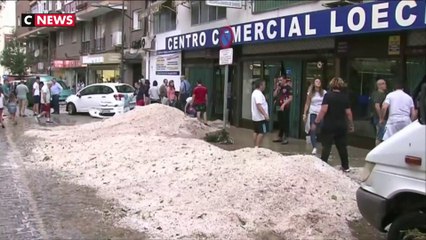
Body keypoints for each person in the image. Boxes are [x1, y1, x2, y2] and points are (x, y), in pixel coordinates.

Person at [312, 77, 354, 172]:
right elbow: (348, 113)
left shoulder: (328, 96)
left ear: (331, 85)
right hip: (341, 125)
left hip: (329, 125)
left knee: (326, 146)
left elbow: (323, 110)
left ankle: (323, 165)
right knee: (342, 147)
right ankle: (345, 166)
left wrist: (316, 122)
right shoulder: (345, 97)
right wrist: (351, 124)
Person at [302, 79, 326, 155]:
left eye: (319, 81)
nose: (318, 82)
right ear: (314, 83)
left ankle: (324, 145)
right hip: (313, 112)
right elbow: (307, 104)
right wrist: (305, 114)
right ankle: (314, 147)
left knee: (322, 128)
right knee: (313, 129)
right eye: (316, 81)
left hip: (321, 113)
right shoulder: (310, 93)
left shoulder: (324, 92)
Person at [273, 76, 293, 144]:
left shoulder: (288, 88)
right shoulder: (279, 87)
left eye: (281, 80)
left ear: (285, 80)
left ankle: (286, 138)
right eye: (279, 80)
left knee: (285, 122)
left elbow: (290, 98)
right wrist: (277, 89)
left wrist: (284, 104)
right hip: (278, 106)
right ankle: (280, 137)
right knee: (280, 121)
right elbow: (274, 95)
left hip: (285, 107)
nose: (279, 81)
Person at [251, 79, 269, 148]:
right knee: (262, 132)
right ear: (260, 85)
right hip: (260, 118)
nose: (265, 86)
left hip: (255, 117)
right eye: (264, 85)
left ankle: (255, 145)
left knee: (256, 131)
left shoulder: (254, 93)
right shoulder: (258, 94)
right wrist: (265, 114)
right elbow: (259, 105)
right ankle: (257, 146)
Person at [370, 79, 388, 145]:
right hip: (379, 118)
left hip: (382, 118)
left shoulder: (383, 94)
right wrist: (381, 117)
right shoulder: (378, 94)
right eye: (383, 83)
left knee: (382, 135)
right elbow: (377, 105)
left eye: (385, 83)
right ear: (378, 85)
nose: (385, 85)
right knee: (380, 135)